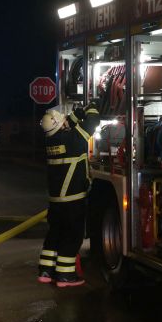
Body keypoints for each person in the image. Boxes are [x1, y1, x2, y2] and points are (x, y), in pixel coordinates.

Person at [38, 101, 100, 287]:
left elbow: (67, 125)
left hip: (56, 202)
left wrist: (76, 114)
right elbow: (93, 121)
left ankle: (46, 271)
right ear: (59, 125)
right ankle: (65, 276)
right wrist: (91, 107)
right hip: (73, 200)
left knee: (54, 233)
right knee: (72, 236)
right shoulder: (73, 139)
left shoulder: (50, 141)